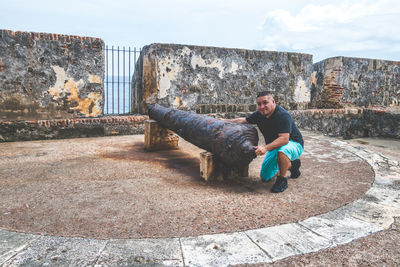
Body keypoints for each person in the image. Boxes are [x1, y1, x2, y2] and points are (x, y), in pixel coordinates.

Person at [225, 91, 304, 193]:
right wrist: (224, 121)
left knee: (283, 151)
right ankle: (292, 165)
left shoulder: (283, 115)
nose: (262, 106)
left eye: (265, 103)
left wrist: (265, 148)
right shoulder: (259, 115)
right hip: (275, 146)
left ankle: (282, 180)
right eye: (259, 104)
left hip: (293, 143)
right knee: (265, 177)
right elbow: (243, 120)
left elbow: (284, 139)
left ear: (273, 101)